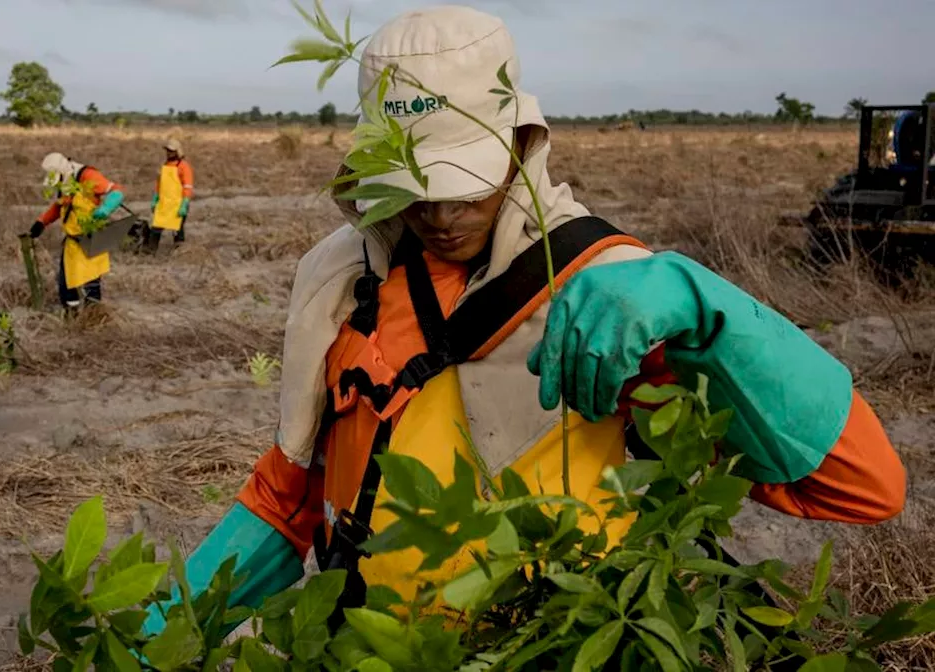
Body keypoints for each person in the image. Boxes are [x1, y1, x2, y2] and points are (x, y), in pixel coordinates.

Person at [142, 5, 907, 636]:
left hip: (550, 648)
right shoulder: (343, 279)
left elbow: (864, 489)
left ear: (520, 144)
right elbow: (288, 499)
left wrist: (705, 308)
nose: (440, 215)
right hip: (363, 649)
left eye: (463, 186)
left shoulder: (615, 296)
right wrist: (160, 638)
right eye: (416, 188)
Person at [30, 152, 126, 310]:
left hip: (92, 238)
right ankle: (71, 317)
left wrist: (106, 208)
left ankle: (93, 318)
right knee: (66, 283)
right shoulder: (65, 183)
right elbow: (62, 205)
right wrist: (42, 222)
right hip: (72, 242)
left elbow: (117, 190)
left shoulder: (88, 175)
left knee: (91, 283)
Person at [147, 138, 195, 251]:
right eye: (167, 150)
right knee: (155, 229)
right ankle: (149, 253)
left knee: (178, 230)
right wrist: (155, 199)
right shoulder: (165, 165)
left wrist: (185, 203)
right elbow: (159, 185)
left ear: (178, 151)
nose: (168, 153)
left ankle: (180, 253)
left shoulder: (183, 166)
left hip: (177, 204)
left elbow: (187, 187)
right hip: (163, 204)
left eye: (171, 150)